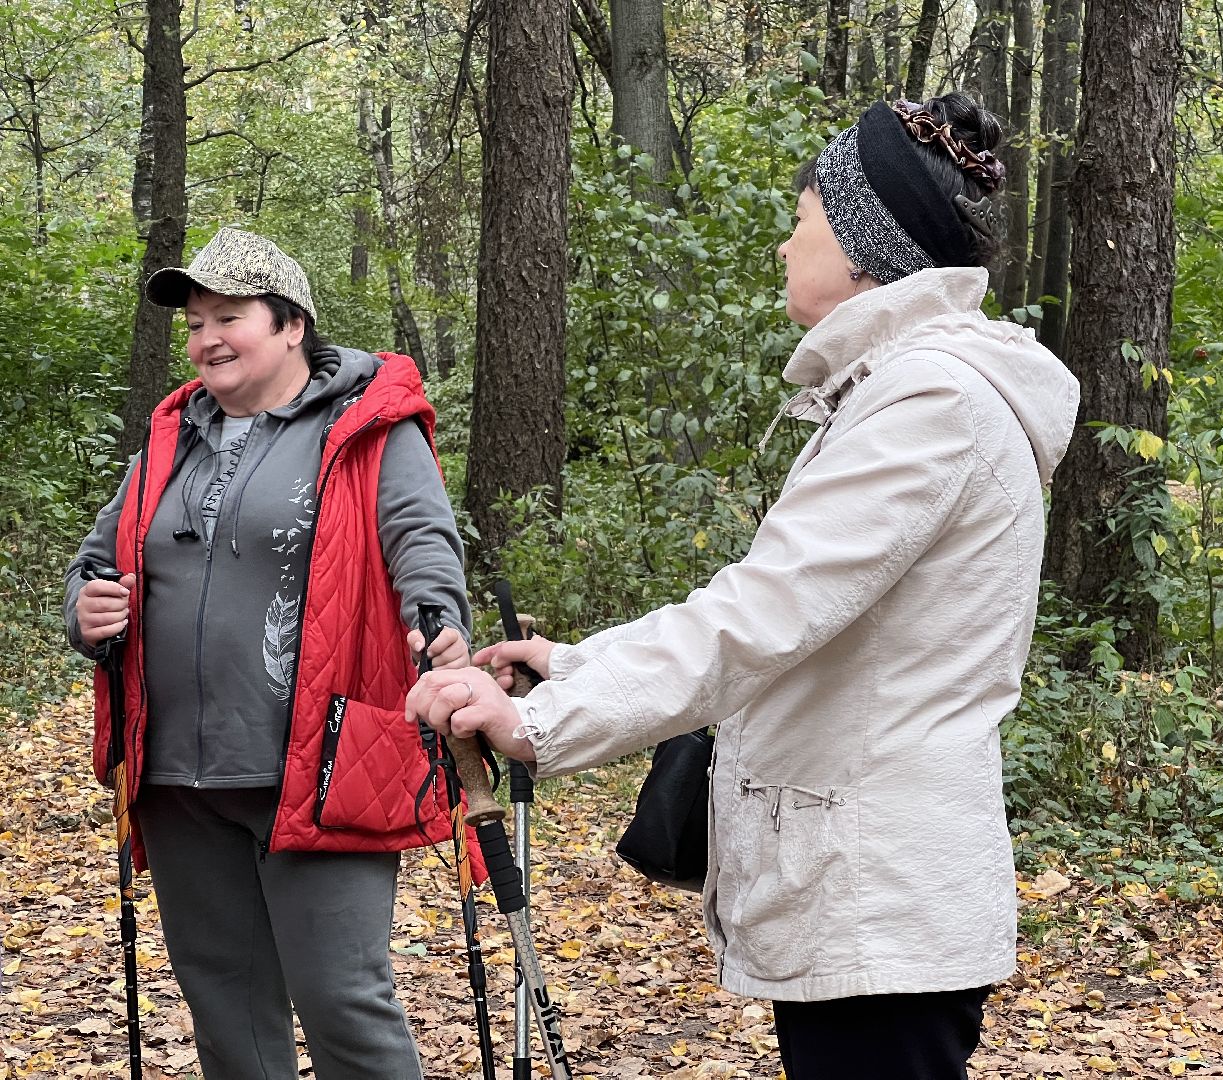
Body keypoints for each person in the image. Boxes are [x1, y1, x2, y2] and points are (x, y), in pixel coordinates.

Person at [409, 93, 1080, 1079]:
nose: (783, 244)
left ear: (860, 247)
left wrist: (543, 726)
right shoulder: (907, 392)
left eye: (799, 217)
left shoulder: (930, 401)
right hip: (867, 904)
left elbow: (762, 617)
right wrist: (567, 665)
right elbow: (804, 612)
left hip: (878, 906)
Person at [65, 226, 473, 1080]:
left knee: (342, 1003)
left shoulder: (369, 427)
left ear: (292, 324)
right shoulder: (172, 437)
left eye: (229, 315)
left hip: (319, 762)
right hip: (177, 773)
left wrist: (438, 623)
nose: (207, 337)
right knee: (226, 1010)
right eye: (195, 321)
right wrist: (86, 607)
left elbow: (421, 543)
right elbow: (100, 559)